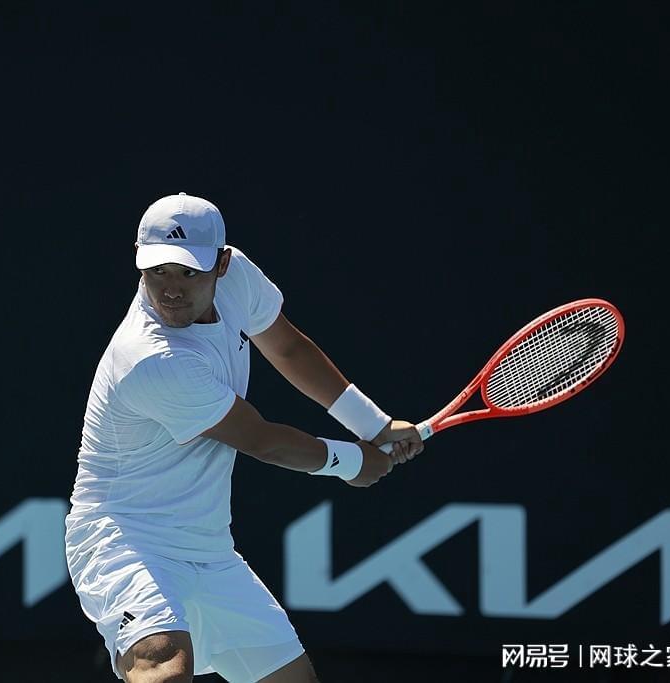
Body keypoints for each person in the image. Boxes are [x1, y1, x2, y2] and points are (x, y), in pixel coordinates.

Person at [65, 192, 424, 683]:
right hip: (125, 538)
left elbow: (289, 349)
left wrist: (374, 425)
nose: (171, 289)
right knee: (164, 666)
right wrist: (354, 463)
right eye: (158, 271)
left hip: (209, 546)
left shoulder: (238, 280)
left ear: (222, 263)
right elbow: (261, 439)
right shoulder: (152, 358)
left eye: (189, 272)